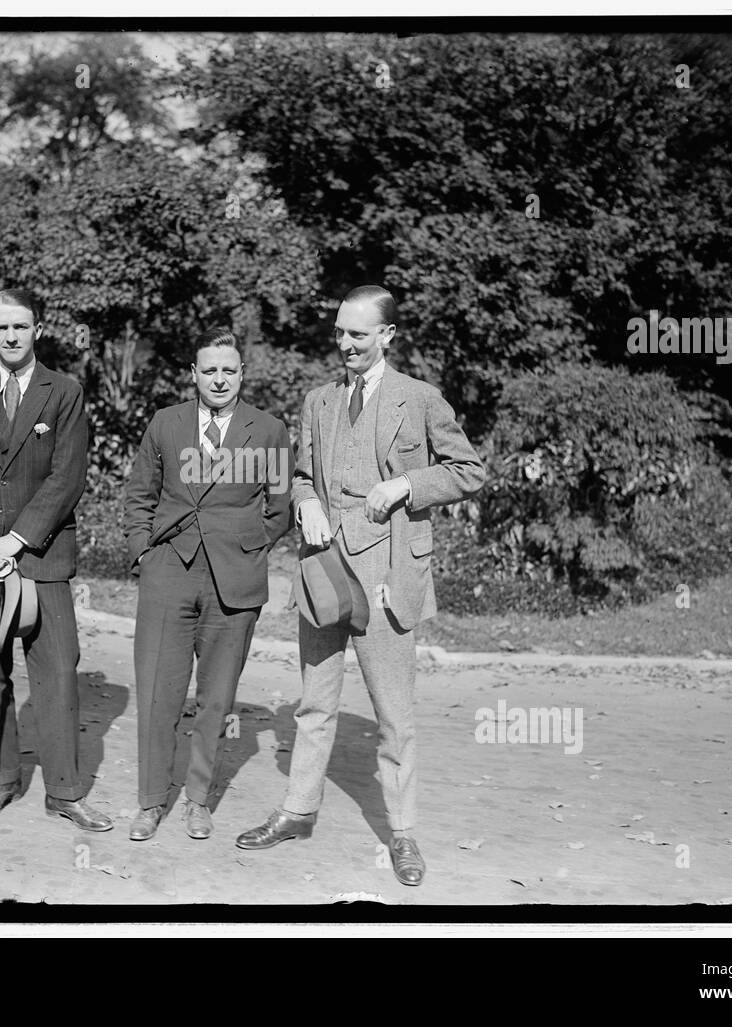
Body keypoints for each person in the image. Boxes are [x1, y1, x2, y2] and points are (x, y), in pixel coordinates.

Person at [235, 285, 486, 886]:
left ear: (387, 336)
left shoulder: (420, 400)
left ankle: (402, 833)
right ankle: (297, 811)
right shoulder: (317, 400)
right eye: (340, 333)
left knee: (394, 716)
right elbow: (299, 476)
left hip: (388, 579)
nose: (345, 344)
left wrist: (405, 486)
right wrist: (306, 504)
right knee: (315, 703)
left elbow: (469, 470)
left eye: (358, 334)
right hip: (324, 569)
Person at [0, 287, 111, 831]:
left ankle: (64, 791)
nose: (12, 337)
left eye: (22, 326)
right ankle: (3, 779)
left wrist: (13, 542)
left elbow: (68, 477)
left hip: (41, 557)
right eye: (2, 328)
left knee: (59, 670)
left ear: (38, 329)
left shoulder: (64, 392)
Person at [123, 327, 294, 840]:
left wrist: (245, 545)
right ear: (193, 374)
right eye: (209, 370)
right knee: (158, 692)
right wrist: (144, 554)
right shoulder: (166, 424)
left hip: (233, 583)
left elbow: (280, 507)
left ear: (242, 373)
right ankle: (152, 802)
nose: (219, 379)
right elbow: (138, 496)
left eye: (229, 370)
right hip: (168, 574)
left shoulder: (267, 430)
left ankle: (198, 800)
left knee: (216, 698)